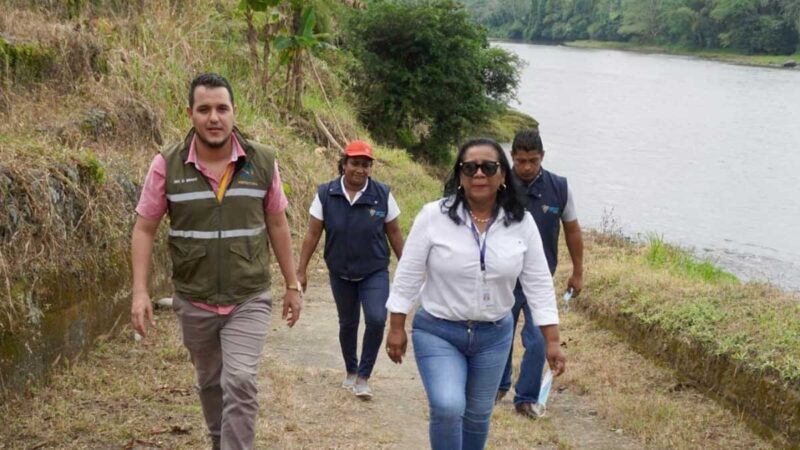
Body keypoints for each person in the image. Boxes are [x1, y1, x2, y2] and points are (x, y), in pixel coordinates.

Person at [130, 73, 303, 450]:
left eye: (222, 108)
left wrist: (292, 285)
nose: (214, 118)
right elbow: (144, 228)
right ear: (190, 113)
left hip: (248, 296)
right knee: (210, 382)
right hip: (195, 298)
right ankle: (218, 440)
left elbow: (277, 222)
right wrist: (140, 292)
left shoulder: (262, 162)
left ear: (233, 112)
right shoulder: (167, 165)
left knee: (239, 380)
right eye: (204, 109)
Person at [385, 138, 566, 450]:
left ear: (502, 176)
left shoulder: (521, 223)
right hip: (439, 331)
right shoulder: (433, 216)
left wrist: (551, 339)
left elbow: (538, 283)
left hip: (494, 336)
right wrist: (397, 325)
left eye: (488, 167)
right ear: (459, 175)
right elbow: (408, 274)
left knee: (478, 415)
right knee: (448, 406)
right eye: (470, 167)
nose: (479, 174)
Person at [296, 140, 404, 400]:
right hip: (340, 271)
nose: (360, 169)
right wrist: (301, 271)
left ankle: (364, 376)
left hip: (374, 270)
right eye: (355, 163)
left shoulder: (382, 194)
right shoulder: (326, 193)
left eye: (366, 165)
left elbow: (395, 233)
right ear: (344, 164)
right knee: (348, 323)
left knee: (377, 319)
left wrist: (407, 268)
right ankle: (351, 370)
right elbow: (312, 234)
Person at [496, 128, 584, 418]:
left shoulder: (560, 187)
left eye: (532, 160)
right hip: (504, 278)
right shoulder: (499, 184)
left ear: (542, 157)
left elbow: (572, 230)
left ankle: (526, 398)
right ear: (512, 158)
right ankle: (497, 385)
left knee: (538, 340)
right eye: (520, 161)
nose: (526, 167)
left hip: (540, 280)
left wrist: (578, 271)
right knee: (500, 335)